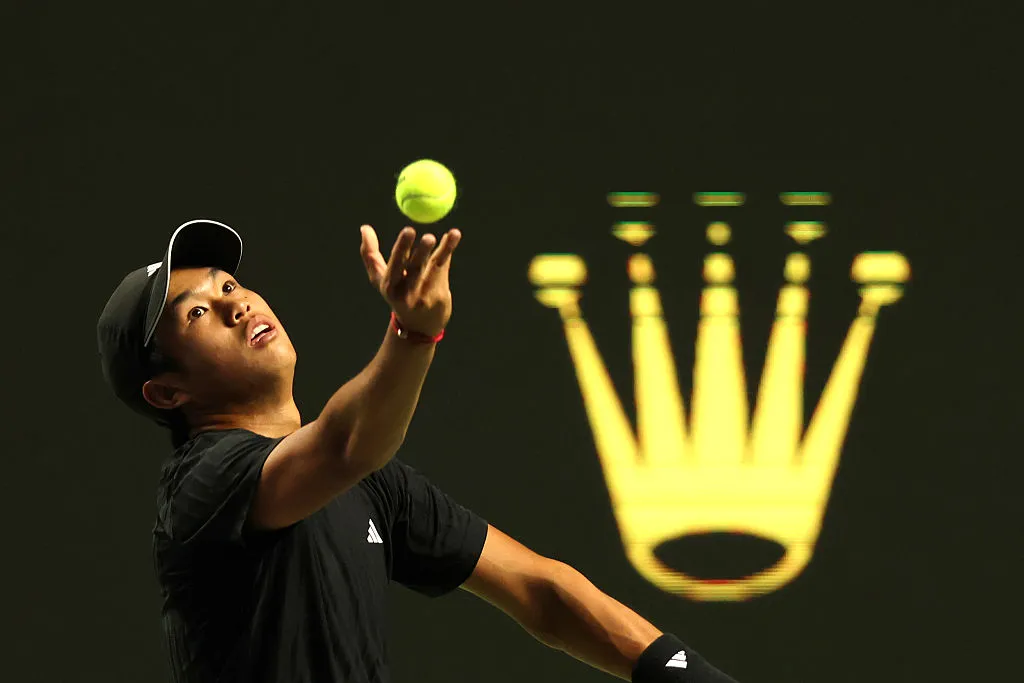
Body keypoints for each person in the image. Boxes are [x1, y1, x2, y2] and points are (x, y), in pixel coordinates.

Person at [96, 219, 741, 683]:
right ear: (167, 393)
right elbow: (347, 443)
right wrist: (412, 332)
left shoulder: (373, 486)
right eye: (197, 314)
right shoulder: (201, 488)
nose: (235, 306)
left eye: (228, 286)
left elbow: (539, 590)